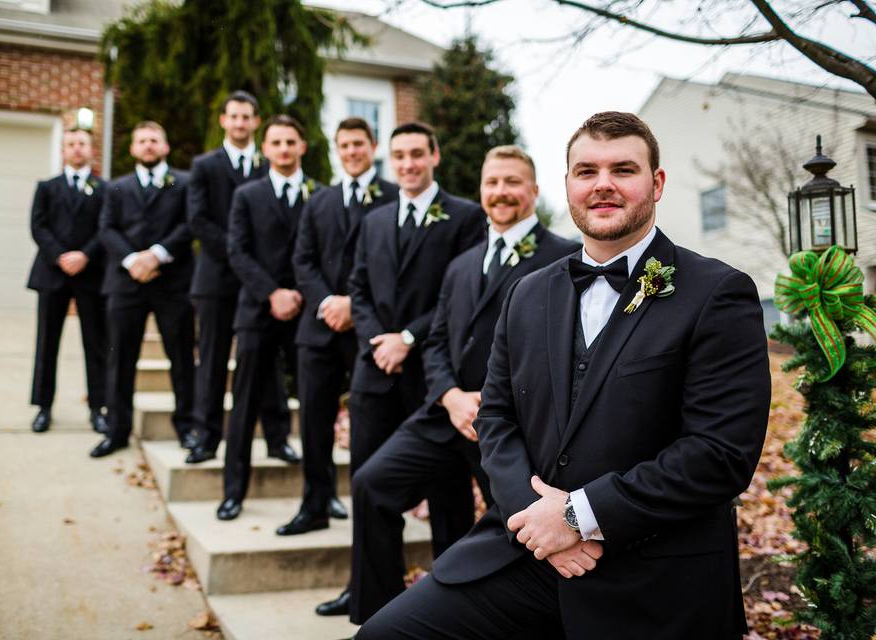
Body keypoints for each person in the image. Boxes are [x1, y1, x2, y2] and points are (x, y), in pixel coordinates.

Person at [357, 111, 772, 640]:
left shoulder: (718, 293)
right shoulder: (527, 293)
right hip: (525, 556)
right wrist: (540, 521)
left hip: (650, 570)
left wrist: (578, 515)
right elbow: (499, 417)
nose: (603, 184)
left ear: (657, 183)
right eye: (586, 171)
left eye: (623, 169)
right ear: (568, 185)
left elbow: (720, 454)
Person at [346, 145, 581, 624]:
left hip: (514, 426)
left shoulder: (565, 258)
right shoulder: (461, 264)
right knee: (371, 484)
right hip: (446, 412)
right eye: (492, 183)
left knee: (520, 529)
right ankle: (379, 614)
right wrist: (450, 396)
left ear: (533, 191)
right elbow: (436, 343)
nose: (501, 192)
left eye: (512, 182)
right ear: (481, 192)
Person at [316, 121, 485, 617]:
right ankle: (371, 596)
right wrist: (379, 342)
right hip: (376, 370)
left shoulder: (465, 217)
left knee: (447, 490)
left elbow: (461, 298)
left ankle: (451, 598)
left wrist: (408, 338)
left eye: (416, 153)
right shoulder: (374, 220)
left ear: (434, 155)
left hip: (432, 376)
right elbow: (359, 287)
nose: (407, 164)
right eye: (399, 156)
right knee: (370, 483)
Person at [277, 117, 399, 536]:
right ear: (337, 149)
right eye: (344, 145)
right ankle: (315, 502)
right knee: (313, 420)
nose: (351, 152)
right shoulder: (319, 200)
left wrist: (354, 304)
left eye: (358, 144)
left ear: (373, 145)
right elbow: (302, 260)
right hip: (319, 329)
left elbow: (393, 266)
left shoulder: (394, 197)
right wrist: (329, 302)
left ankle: (372, 513)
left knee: (370, 424)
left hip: (369, 330)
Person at [186, 90, 298, 466]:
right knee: (214, 360)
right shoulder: (204, 165)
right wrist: (237, 251)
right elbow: (198, 220)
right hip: (219, 279)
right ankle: (207, 436)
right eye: (233, 116)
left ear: (255, 122)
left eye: (247, 117)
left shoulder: (269, 163)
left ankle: (277, 437)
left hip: (263, 282)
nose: (239, 123)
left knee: (268, 363)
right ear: (223, 121)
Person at [221, 115, 314, 521]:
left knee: (313, 405)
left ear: (302, 147)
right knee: (243, 405)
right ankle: (232, 492)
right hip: (258, 311)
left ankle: (318, 494)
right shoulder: (247, 194)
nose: (283, 149)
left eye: (290, 142)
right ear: (265, 149)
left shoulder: (320, 195)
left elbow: (321, 255)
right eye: (275, 142)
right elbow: (237, 250)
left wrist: (297, 294)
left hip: (305, 313)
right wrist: (272, 292)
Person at [90, 121, 197, 458]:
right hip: (126, 283)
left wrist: (157, 255)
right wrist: (132, 260)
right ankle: (117, 429)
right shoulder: (117, 187)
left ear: (165, 147)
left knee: (181, 358)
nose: (148, 145)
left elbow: (191, 223)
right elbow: (106, 228)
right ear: (133, 149)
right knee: (120, 359)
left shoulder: (185, 183)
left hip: (173, 282)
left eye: (154, 140)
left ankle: (187, 427)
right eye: (142, 141)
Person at [26, 127, 108, 435]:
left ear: (91, 150)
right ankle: (43, 407)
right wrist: (61, 256)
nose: (76, 149)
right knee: (47, 343)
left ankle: (98, 407)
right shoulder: (46, 187)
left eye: (82, 144)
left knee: (95, 343)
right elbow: (38, 226)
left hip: (91, 274)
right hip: (52, 273)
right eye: (71, 144)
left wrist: (85, 256)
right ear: (63, 150)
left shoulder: (104, 189)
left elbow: (106, 228)